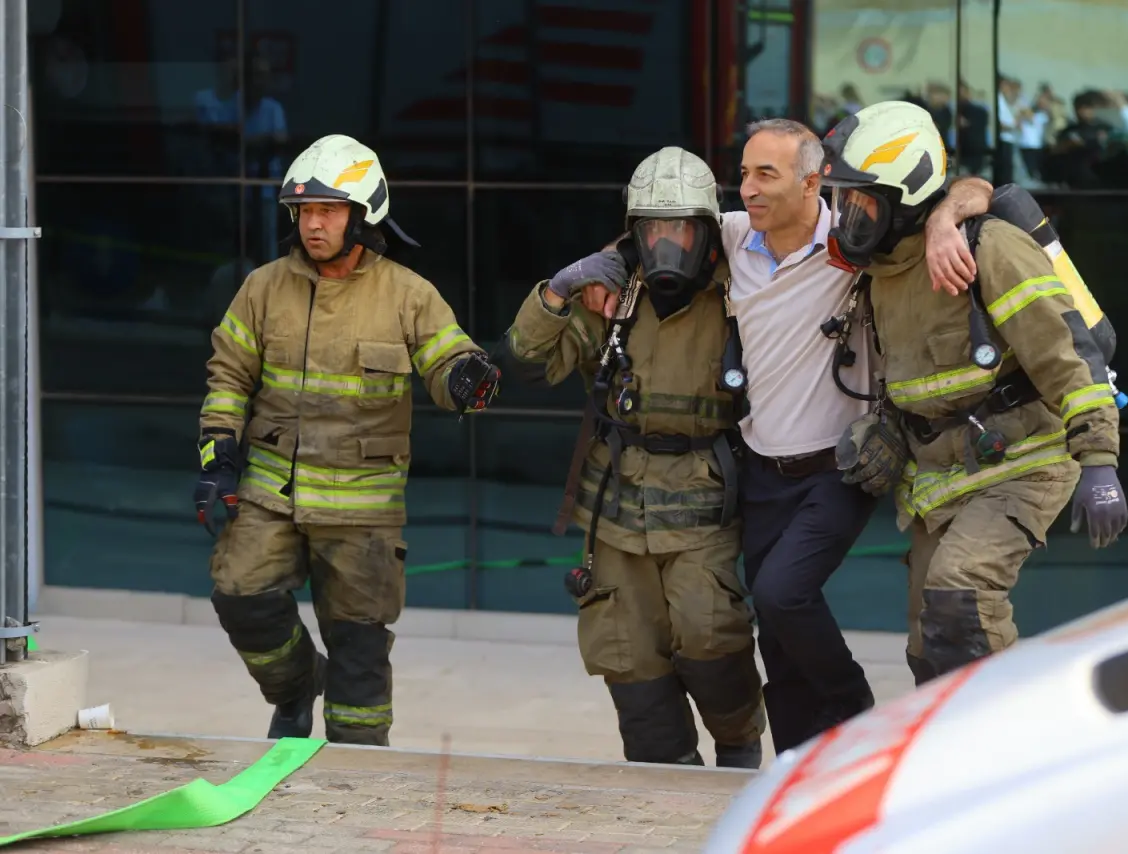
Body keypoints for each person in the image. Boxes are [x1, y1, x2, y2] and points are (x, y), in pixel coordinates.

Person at [194, 134, 501, 746]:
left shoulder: (408, 294)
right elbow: (228, 374)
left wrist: (466, 378)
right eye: (306, 212)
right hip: (270, 491)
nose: (314, 225)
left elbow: (448, 361)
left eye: (329, 211)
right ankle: (296, 688)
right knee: (239, 594)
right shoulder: (262, 288)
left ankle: (360, 775)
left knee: (359, 647)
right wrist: (217, 457)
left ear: (363, 215)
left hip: (363, 510)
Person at [820, 101, 1128, 684]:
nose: (844, 217)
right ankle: (954, 770)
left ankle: (1017, 758)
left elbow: (1067, 354)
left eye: (859, 201)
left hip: (1024, 463)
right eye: (842, 201)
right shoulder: (882, 271)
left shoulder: (990, 248)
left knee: (961, 604)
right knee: (928, 647)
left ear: (905, 191)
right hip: (939, 482)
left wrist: (1100, 462)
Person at [721, 117, 995, 753]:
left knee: (783, 595)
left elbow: (984, 190)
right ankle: (797, 773)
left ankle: (853, 704)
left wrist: (940, 223)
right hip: (763, 468)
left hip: (840, 470)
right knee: (775, 636)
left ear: (814, 180)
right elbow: (652, 232)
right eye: (743, 173)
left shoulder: (854, 241)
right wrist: (593, 272)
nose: (748, 189)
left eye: (767, 174)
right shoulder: (732, 239)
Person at [498, 147, 765, 769]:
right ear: (634, 232)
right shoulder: (610, 297)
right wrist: (559, 292)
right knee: (628, 658)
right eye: (653, 230)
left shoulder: (741, 295)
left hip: (703, 504)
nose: (668, 243)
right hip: (615, 507)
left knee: (711, 638)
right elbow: (527, 364)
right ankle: (667, 794)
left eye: (682, 229)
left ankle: (739, 756)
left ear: (708, 230)